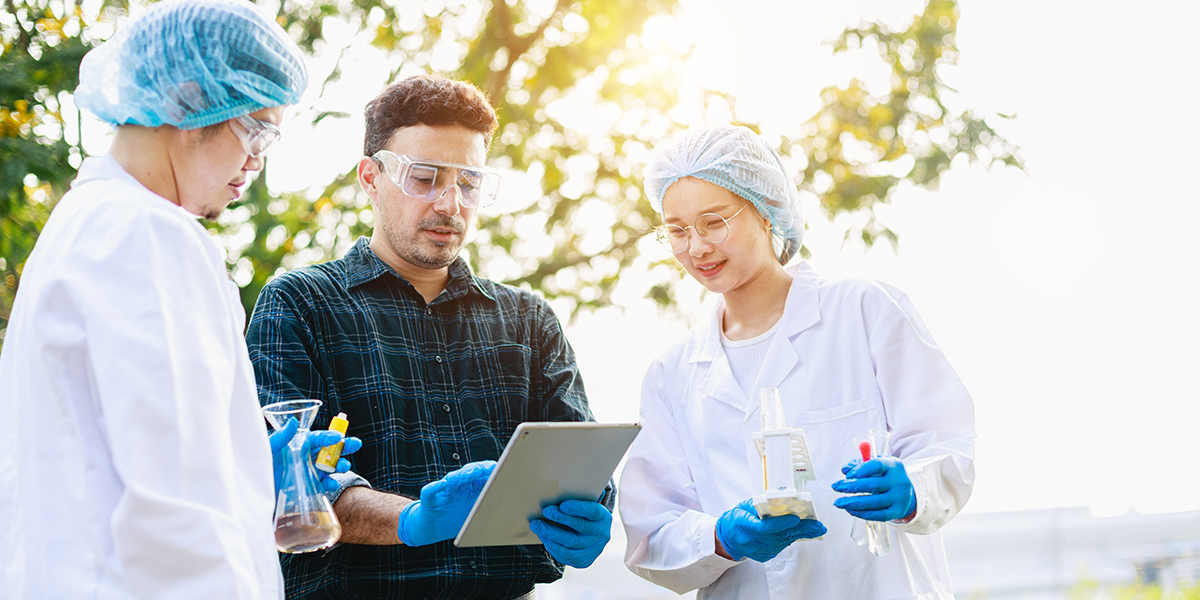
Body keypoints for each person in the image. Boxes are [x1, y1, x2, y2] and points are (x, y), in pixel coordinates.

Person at [0, 0, 362, 598]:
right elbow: (173, 514)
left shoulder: (88, 223)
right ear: (192, 101)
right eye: (259, 128)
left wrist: (243, 464)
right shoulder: (147, 233)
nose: (258, 160)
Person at [245, 74, 614, 600]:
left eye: (468, 182)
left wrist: (590, 512)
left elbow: (583, 463)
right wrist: (413, 520)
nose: (450, 204)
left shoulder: (528, 320)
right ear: (371, 178)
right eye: (425, 177)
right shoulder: (300, 304)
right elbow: (286, 488)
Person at [619, 125, 976, 599]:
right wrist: (719, 538)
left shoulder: (865, 311)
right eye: (678, 230)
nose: (697, 247)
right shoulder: (671, 374)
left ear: (766, 211)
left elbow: (947, 442)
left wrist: (912, 488)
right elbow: (651, 535)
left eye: (714, 221)